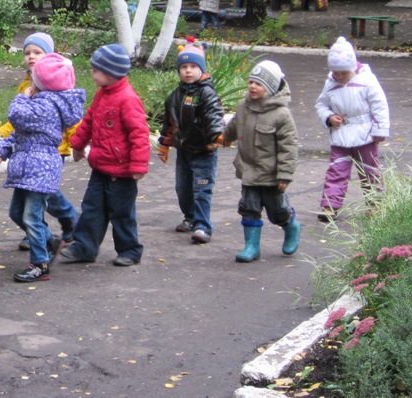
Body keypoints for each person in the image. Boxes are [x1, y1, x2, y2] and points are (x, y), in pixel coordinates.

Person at [0, 52, 85, 283]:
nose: (30, 82)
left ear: (42, 82)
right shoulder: (41, 102)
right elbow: (20, 133)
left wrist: (23, 96)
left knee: (32, 217)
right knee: (17, 213)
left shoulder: (47, 104)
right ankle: (49, 241)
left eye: (34, 78)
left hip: (40, 168)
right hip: (28, 167)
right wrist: (0, 151)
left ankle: (40, 265)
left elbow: (16, 115)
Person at [60, 44, 149, 268]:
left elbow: (139, 133)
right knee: (92, 209)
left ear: (110, 73)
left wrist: (139, 165)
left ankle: (129, 250)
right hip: (100, 167)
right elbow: (89, 120)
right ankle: (85, 247)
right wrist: (78, 144)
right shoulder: (102, 94)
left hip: (123, 171)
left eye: (95, 70)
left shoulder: (127, 99)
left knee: (122, 213)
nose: (91, 73)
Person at [222, 60, 302, 263]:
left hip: (271, 174)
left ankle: (291, 226)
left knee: (278, 212)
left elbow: (288, 146)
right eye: (250, 82)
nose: (252, 86)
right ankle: (251, 246)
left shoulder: (281, 114)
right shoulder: (243, 106)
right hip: (248, 170)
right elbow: (234, 126)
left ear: (271, 88)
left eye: (259, 84)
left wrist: (285, 174)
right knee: (249, 208)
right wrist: (223, 137)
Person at [314, 37, 390, 222]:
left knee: (370, 171)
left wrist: (380, 130)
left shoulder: (367, 80)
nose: (339, 77)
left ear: (353, 67)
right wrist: (329, 118)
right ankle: (330, 206)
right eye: (336, 72)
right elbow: (321, 105)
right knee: (337, 170)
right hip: (340, 134)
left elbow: (379, 105)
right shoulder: (330, 83)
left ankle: (375, 204)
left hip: (365, 134)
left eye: (343, 73)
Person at [158, 38, 225, 244]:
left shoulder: (207, 93)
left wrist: (217, 134)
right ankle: (190, 217)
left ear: (201, 69)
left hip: (204, 150)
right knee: (183, 188)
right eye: (184, 67)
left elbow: (214, 115)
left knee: (202, 188)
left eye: (193, 66)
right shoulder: (174, 97)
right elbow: (169, 122)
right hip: (184, 151)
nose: (188, 71)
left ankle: (203, 226)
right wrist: (164, 143)